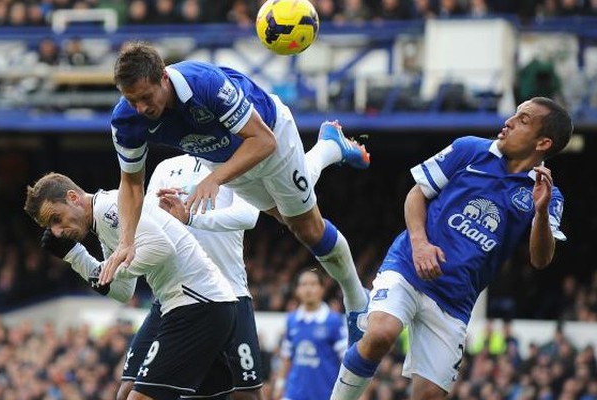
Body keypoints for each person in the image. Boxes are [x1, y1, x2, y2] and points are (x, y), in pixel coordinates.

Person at [100, 41, 371, 344]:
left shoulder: (205, 84)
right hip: (223, 158)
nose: (141, 108)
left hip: (270, 136)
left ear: (164, 77)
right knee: (285, 215)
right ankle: (330, 145)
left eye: (146, 97)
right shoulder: (126, 120)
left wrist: (214, 179)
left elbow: (263, 141)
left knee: (305, 228)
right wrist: (126, 240)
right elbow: (132, 184)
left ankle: (357, 299)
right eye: (132, 100)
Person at [330, 97, 574, 400]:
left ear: (543, 142)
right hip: (409, 266)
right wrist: (420, 244)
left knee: (429, 394)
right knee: (380, 334)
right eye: (514, 114)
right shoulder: (470, 149)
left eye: (523, 120)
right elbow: (416, 195)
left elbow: (541, 259)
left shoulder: (548, 194)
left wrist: (540, 212)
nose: (509, 121)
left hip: (456, 299)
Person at [118, 134, 360, 400]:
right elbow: (147, 219)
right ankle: (328, 147)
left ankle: (328, 147)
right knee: (129, 390)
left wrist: (189, 217)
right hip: (173, 298)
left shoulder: (236, 163)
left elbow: (247, 216)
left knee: (245, 395)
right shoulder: (166, 168)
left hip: (228, 295)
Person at [24, 173, 239, 400]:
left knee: (138, 396)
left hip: (197, 304)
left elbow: (162, 248)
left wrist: (116, 266)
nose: (57, 232)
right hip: (205, 304)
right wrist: (76, 256)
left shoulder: (108, 209)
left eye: (56, 218)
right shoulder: (102, 217)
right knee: (131, 392)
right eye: (50, 225)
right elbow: (123, 291)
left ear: (73, 197)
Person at [273, 269, 347, 400]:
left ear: (322, 289)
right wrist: (279, 385)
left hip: (325, 394)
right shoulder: (292, 320)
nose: (308, 289)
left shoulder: (333, 321)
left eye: (313, 284)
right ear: (297, 290)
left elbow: (345, 360)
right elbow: (286, 356)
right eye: (304, 284)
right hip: (293, 393)